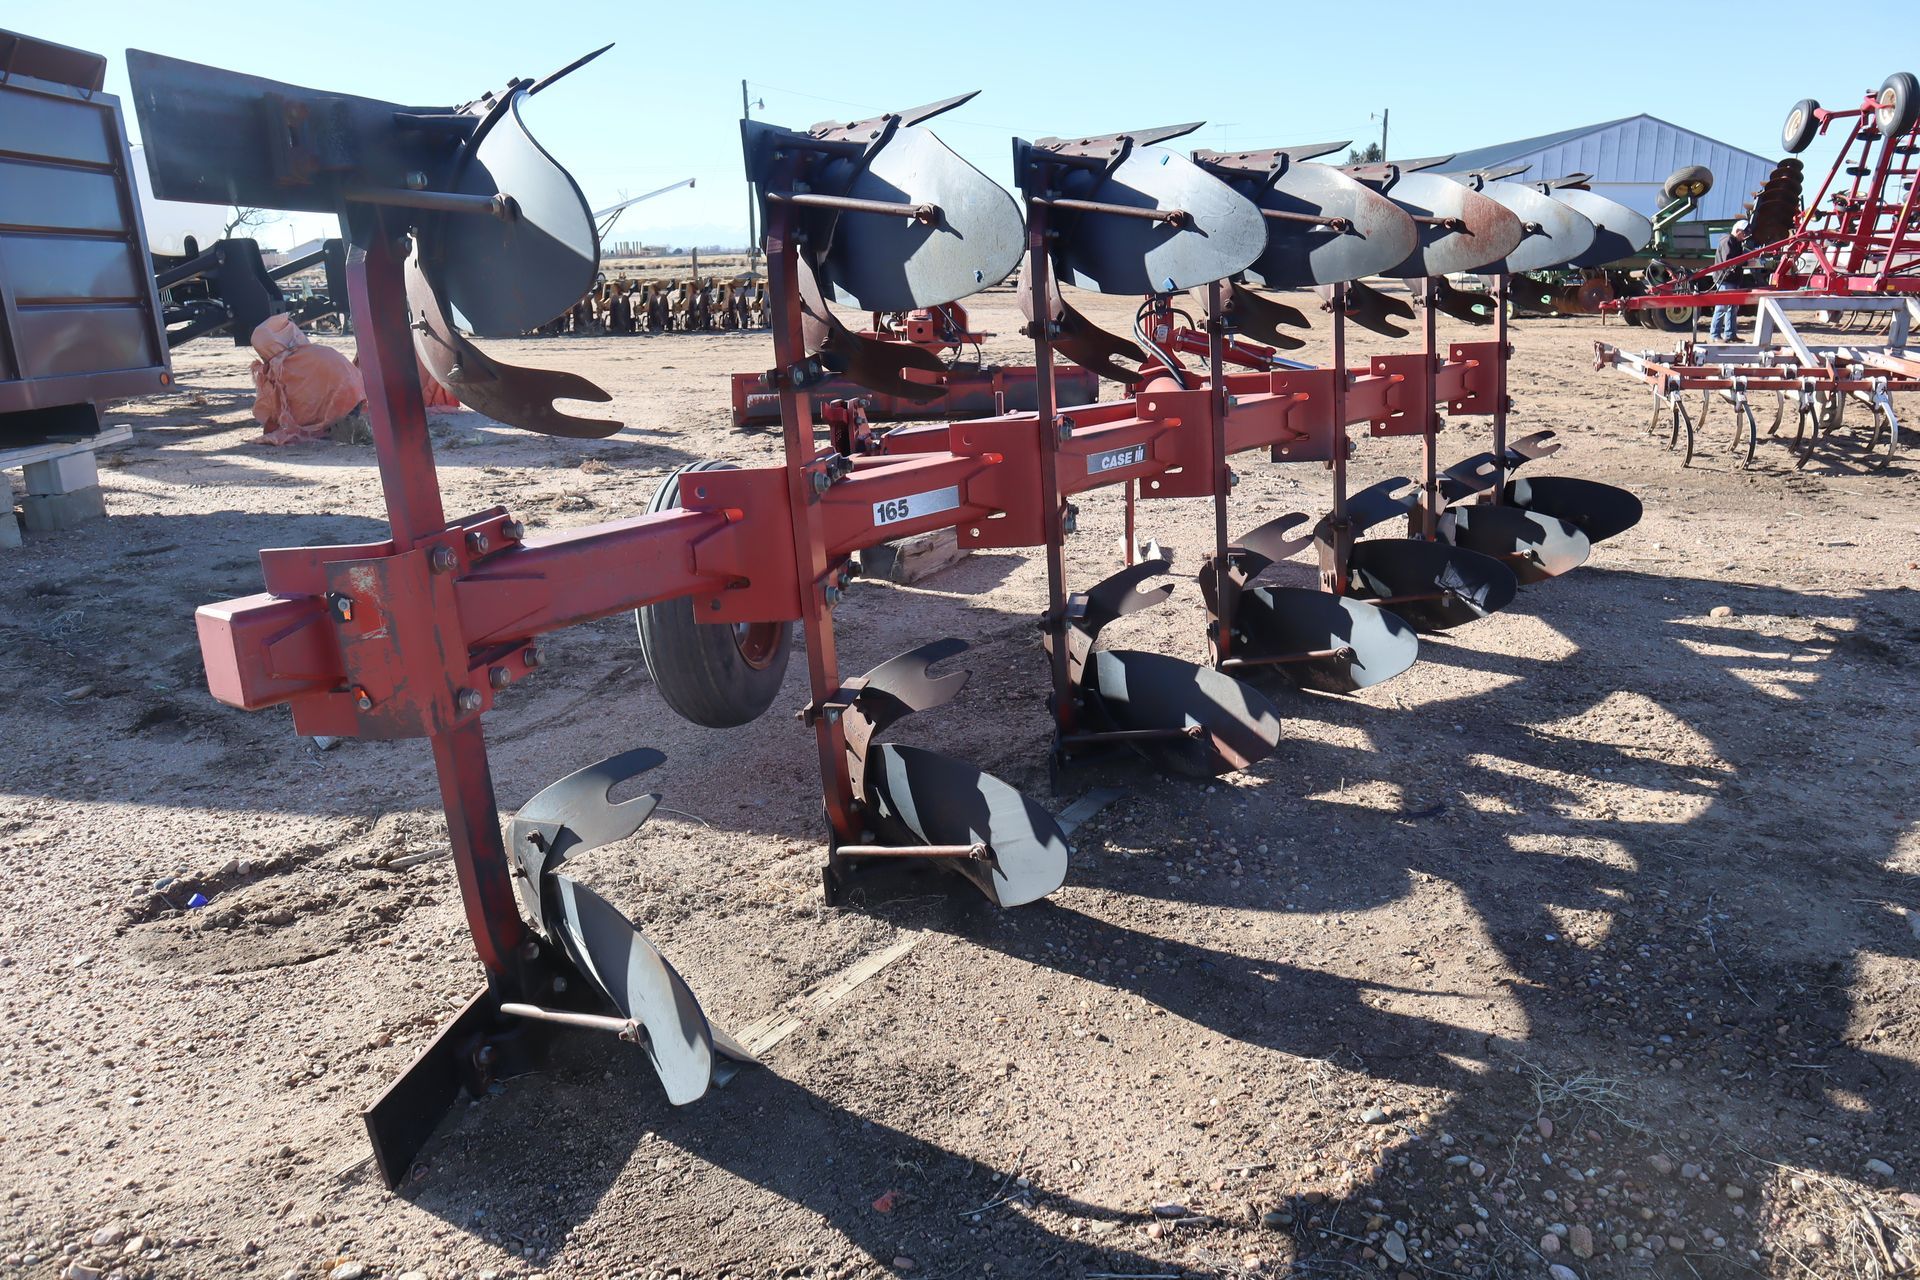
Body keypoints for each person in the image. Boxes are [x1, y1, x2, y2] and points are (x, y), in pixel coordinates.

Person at [1709, 219, 1752, 342]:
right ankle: (1715, 335)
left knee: (1732, 308)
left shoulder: (1735, 242)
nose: (1745, 236)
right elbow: (1729, 261)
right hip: (1725, 279)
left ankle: (1730, 334)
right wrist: (1746, 261)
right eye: (1744, 233)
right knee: (1722, 307)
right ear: (1738, 231)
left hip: (1731, 279)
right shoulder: (1728, 241)